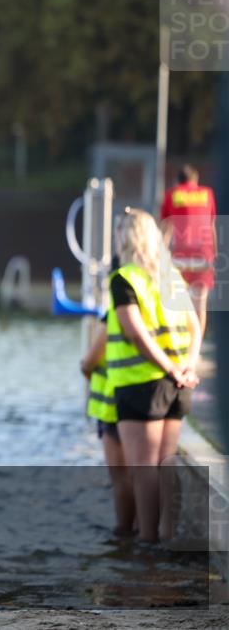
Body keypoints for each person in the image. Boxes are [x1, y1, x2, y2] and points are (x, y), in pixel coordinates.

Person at [106, 209, 201, 542]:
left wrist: (168, 367)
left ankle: (147, 542)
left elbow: (135, 332)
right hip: (178, 386)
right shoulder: (170, 276)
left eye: (119, 233)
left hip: (142, 384)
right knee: (166, 463)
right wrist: (187, 365)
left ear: (126, 238)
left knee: (144, 467)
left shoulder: (124, 278)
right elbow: (194, 326)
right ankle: (170, 534)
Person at [80, 315, 135, 537]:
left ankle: (124, 534)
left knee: (121, 478)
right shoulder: (164, 310)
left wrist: (85, 367)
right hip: (154, 399)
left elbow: (91, 360)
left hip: (114, 406)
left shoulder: (116, 313)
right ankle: (145, 532)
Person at [159, 164, 217, 336]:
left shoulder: (172, 194)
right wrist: (215, 255)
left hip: (180, 257)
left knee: (176, 303)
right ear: (195, 180)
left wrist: (159, 254)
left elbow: (166, 229)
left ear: (178, 181)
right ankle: (196, 349)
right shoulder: (207, 193)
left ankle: (180, 345)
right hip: (203, 257)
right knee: (200, 304)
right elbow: (212, 225)